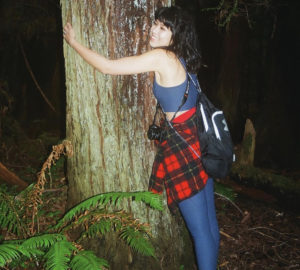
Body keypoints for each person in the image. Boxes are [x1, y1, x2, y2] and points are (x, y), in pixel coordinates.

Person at [63, 5, 219, 270]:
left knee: (200, 231)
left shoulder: (162, 57)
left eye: (163, 28)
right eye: (155, 23)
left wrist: (74, 42)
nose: (153, 30)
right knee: (209, 226)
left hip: (183, 150)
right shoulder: (185, 59)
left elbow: (108, 67)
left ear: (176, 35)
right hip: (200, 145)